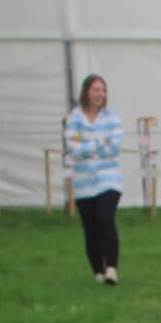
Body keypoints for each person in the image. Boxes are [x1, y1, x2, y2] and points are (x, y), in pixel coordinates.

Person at [64, 74, 123, 285]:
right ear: (86, 92)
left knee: (105, 219)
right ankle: (97, 270)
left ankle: (111, 268)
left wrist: (87, 145)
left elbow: (115, 146)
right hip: (83, 181)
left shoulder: (111, 116)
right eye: (96, 90)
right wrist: (100, 143)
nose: (100, 94)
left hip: (109, 178)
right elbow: (73, 148)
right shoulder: (74, 117)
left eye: (103, 90)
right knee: (90, 227)